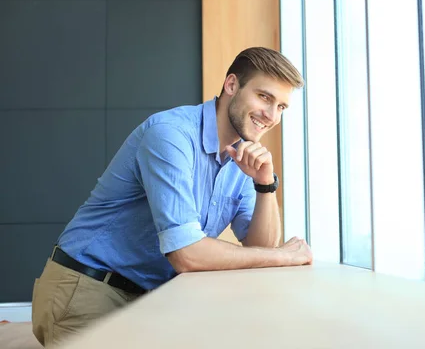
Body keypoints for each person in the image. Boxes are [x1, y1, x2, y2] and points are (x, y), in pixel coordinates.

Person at [31, 47, 313, 347]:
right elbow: (186, 254)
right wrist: (283, 256)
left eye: (281, 107)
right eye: (265, 97)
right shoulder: (171, 135)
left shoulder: (242, 158)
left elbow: (260, 249)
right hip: (88, 289)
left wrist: (265, 184)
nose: (271, 116)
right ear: (232, 85)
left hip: (151, 299)